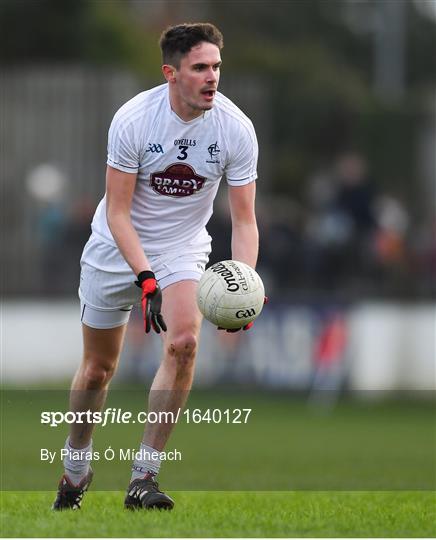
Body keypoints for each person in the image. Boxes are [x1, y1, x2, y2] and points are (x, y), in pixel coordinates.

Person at [52, 22, 260, 511]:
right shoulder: (134, 120)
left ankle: (143, 478)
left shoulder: (235, 128)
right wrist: (144, 278)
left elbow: (246, 220)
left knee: (184, 343)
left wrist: (245, 281)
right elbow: (118, 213)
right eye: (200, 68)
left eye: (217, 68)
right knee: (98, 370)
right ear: (171, 73)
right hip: (115, 245)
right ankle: (76, 468)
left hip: (181, 246)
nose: (212, 78)